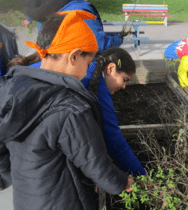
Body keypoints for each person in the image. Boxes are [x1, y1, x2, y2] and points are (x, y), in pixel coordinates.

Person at [0, 10, 133, 210]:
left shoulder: (10, 89)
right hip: (65, 201)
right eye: (88, 61)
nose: (87, 69)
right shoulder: (71, 109)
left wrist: (3, 174)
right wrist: (122, 182)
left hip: (26, 199)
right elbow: (97, 165)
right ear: (74, 56)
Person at [25, 47, 147, 176]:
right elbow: (113, 138)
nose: (124, 87)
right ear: (111, 68)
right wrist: (141, 174)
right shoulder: (97, 85)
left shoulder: (91, 69)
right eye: (124, 80)